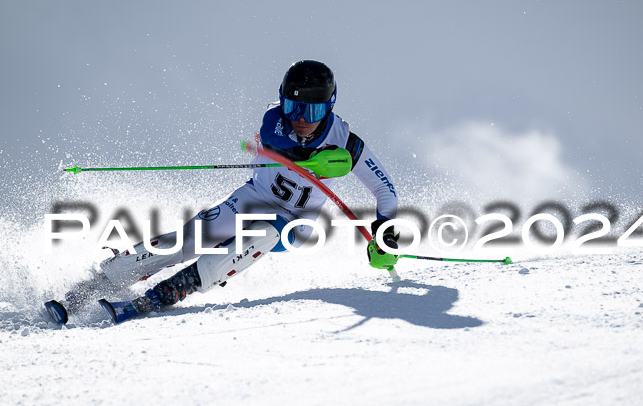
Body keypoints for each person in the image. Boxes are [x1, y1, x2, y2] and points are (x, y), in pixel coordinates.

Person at [47, 60, 400, 324]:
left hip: (293, 222)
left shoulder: (347, 144)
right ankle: (97, 283)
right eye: (292, 107)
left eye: (312, 110)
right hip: (251, 198)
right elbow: (276, 140)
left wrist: (383, 236)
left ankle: (167, 292)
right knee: (190, 239)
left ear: (330, 107)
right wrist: (313, 159)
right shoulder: (274, 120)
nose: (300, 119)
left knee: (261, 235)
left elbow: (385, 191)